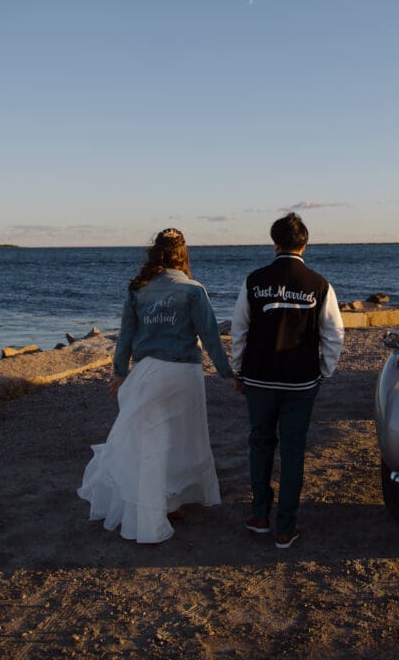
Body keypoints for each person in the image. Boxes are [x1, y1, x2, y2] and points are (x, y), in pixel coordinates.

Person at [77, 228, 234, 543]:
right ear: (182, 255)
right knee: (181, 439)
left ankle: (162, 504)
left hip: (148, 374)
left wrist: (120, 373)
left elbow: (125, 338)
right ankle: (171, 502)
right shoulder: (193, 290)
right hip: (184, 375)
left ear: (155, 254)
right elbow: (211, 337)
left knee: (151, 443)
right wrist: (227, 374)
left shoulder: (138, 290)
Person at [231, 212, 344, 548]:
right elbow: (334, 333)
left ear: (275, 243)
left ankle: (260, 515)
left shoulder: (253, 280)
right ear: (304, 244)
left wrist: (239, 370)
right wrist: (325, 370)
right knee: (293, 451)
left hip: (260, 380)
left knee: (260, 443)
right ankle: (285, 527)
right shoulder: (319, 284)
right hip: (300, 382)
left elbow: (239, 330)